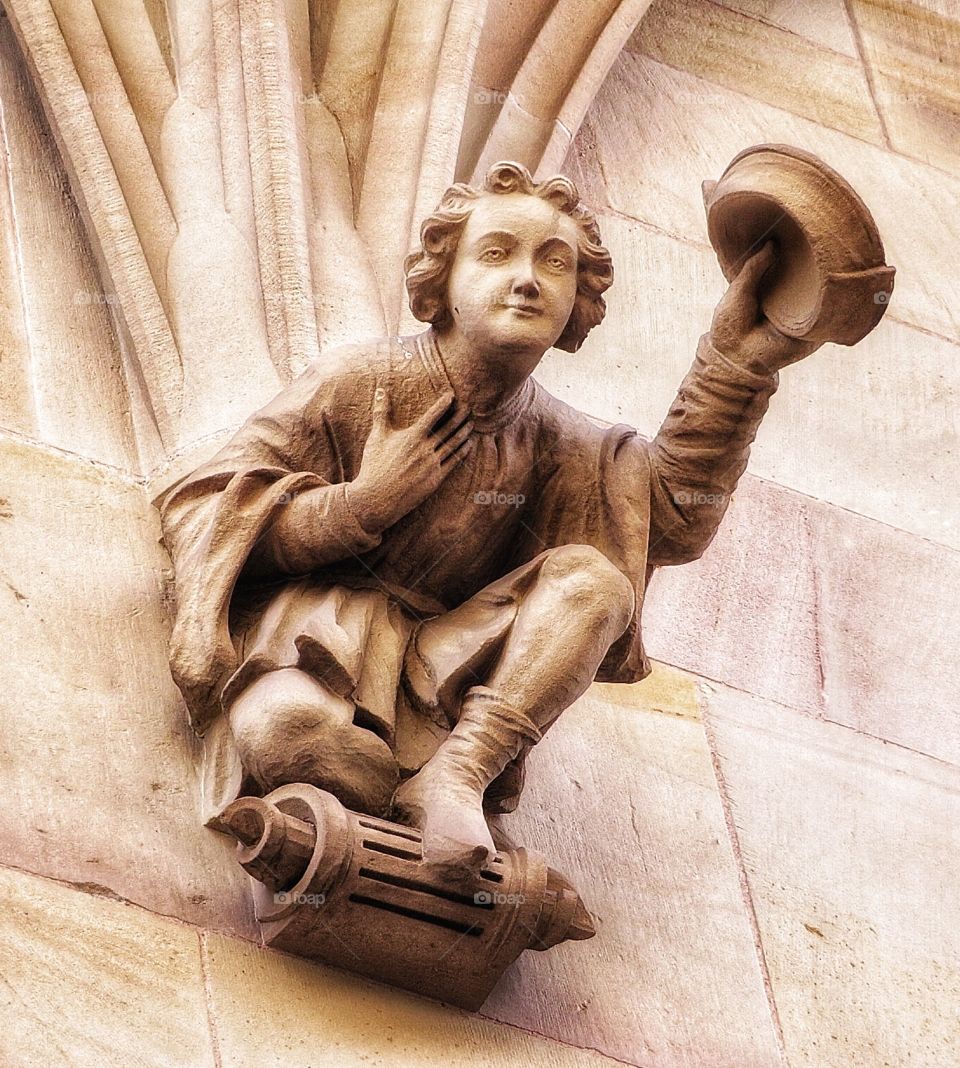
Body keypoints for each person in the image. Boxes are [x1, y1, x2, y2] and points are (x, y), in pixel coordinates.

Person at [160, 161, 817, 874]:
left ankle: (458, 773)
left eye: (555, 262)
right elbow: (205, 505)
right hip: (328, 641)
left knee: (596, 582)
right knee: (287, 734)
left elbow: (672, 516)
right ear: (442, 280)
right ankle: (405, 799)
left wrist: (736, 365)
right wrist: (357, 506)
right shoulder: (363, 380)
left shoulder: (561, 442)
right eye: (497, 253)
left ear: (579, 304)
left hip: (443, 664)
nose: (528, 279)